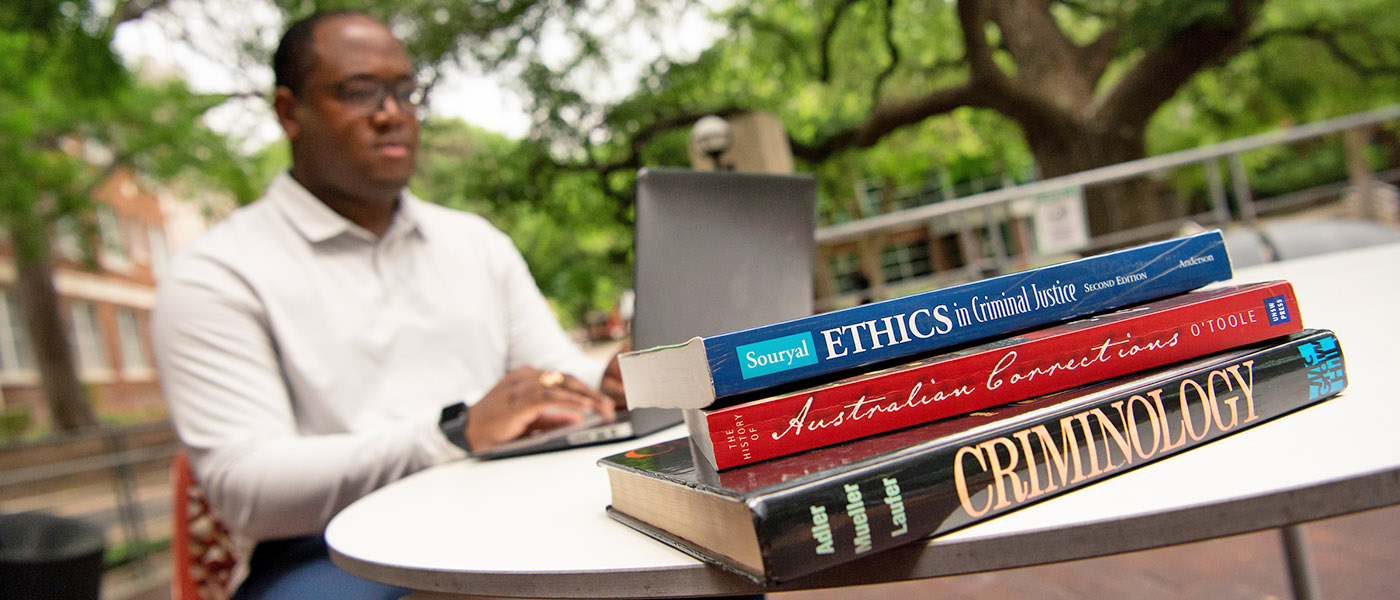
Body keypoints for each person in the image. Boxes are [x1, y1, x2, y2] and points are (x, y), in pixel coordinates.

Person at [152, 10, 623, 599]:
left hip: (512, 504)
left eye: (405, 92)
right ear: (287, 111)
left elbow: (552, 369)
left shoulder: (475, 243)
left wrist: (603, 380)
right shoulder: (216, 274)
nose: (392, 113)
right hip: (331, 550)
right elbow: (246, 490)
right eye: (359, 92)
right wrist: (453, 433)